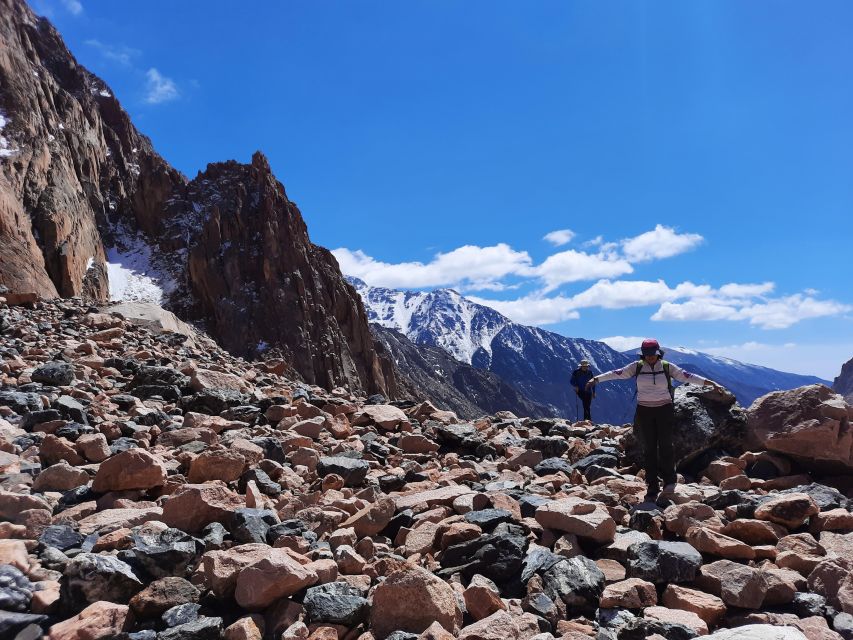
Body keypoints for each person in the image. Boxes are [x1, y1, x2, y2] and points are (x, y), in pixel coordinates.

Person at [586, 338, 724, 501]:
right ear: (642, 355)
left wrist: (710, 383)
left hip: (664, 410)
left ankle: (669, 482)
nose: (650, 357)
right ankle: (652, 486)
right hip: (644, 411)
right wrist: (596, 379)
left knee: (666, 446)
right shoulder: (636, 367)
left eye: (652, 354)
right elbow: (617, 373)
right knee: (649, 449)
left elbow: (687, 376)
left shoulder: (666, 367)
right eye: (647, 354)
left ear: (658, 353)